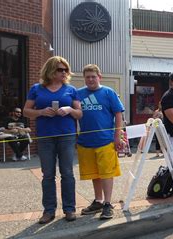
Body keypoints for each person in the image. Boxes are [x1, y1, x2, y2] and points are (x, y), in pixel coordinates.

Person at [23, 56, 82, 224]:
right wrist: (41, 112)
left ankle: (69, 209)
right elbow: (26, 111)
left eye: (66, 70)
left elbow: (80, 113)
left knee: (67, 173)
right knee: (48, 174)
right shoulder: (37, 89)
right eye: (60, 69)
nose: (64, 73)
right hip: (45, 137)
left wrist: (70, 109)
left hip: (66, 136)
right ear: (50, 70)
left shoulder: (71, 90)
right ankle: (49, 211)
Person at [76, 64, 125, 220]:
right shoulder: (78, 94)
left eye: (93, 76)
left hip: (105, 141)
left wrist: (117, 136)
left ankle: (107, 204)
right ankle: (98, 201)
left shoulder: (108, 93)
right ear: (84, 78)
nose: (90, 79)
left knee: (106, 174)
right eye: (88, 77)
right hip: (85, 141)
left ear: (99, 77)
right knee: (94, 174)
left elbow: (118, 115)